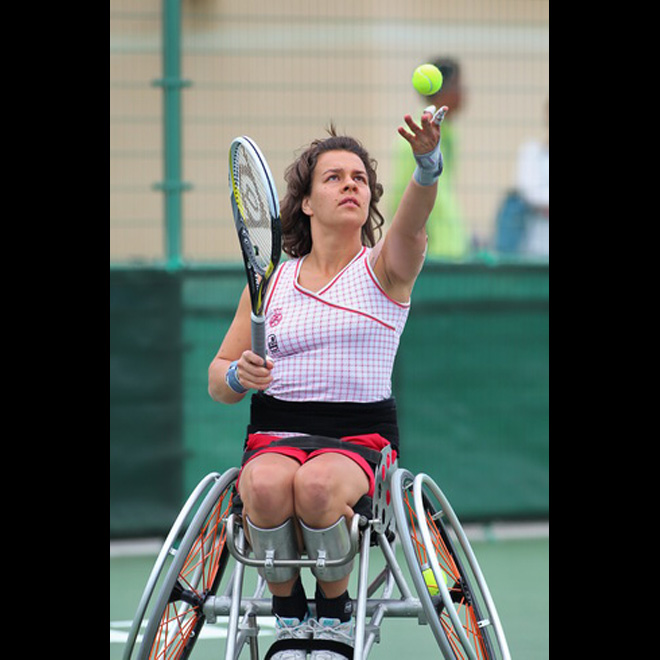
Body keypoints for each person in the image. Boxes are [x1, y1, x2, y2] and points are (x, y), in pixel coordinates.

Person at [208, 106, 445, 659]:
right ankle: (290, 619)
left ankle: (335, 617)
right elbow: (218, 379)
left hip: (357, 437)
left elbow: (411, 221)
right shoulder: (271, 283)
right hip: (277, 432)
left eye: (359, 179)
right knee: (263, 488)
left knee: (316, 489)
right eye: (334, 178)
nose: (350, 186)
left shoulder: (386, 268)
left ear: (368, 201)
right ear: (307, 202)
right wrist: (239, 376)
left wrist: (427, 164)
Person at [391, 57, 467, 259]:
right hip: (431, 255)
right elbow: (402, 195)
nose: (464, 92)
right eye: (459, 85)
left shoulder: (447, 133)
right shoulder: (417, 138)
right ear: (445, 91)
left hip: (450, 251)